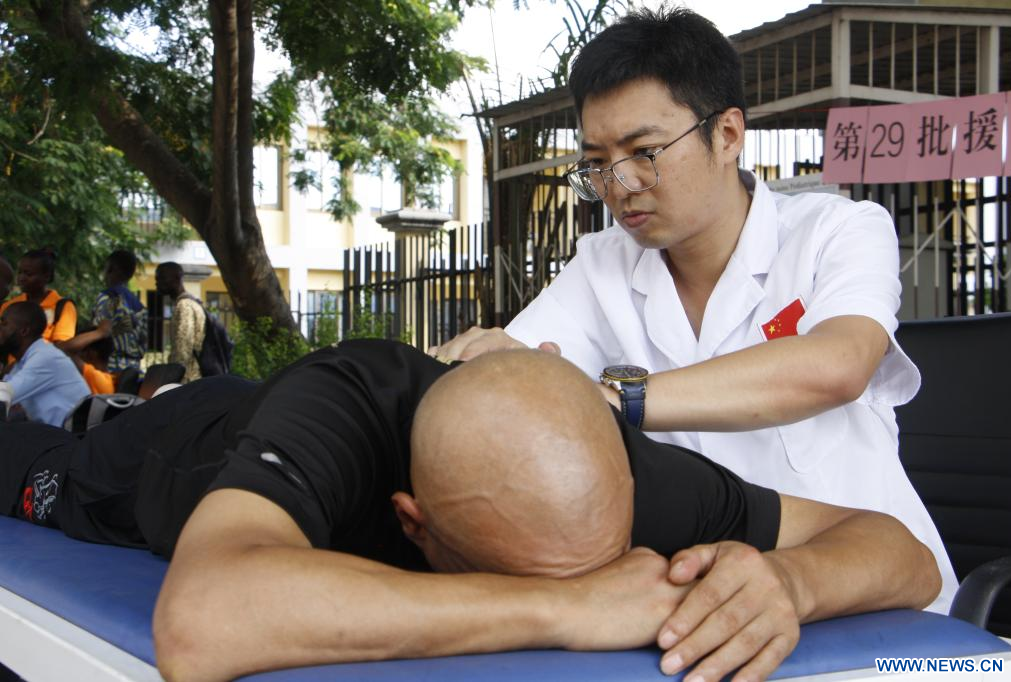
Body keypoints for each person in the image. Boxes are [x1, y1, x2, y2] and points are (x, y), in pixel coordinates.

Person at [0, 340, 939, 682]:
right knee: (34, 459)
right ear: (413, 522)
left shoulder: (621, 467)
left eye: (608, 558)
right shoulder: (344, 408)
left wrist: (787, 583)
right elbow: (201, 625)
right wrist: (566, 608)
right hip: (147, 460)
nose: (617, 583)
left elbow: (903, 553)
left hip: (265, 423)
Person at [429, 7, 956, 612]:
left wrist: (614, 399)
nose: (619, 185)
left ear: (727, 135)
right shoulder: (603, 264)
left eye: (645, 151)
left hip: (877, 603)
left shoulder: (835, 230)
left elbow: (837, 365)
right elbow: (518, 375)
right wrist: (485, 367)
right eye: (597, 163)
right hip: (703, 608)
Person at [0, 302, 90, 426]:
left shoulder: (45, 357)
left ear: (24, 331)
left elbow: (4, 394)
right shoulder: (23, 363)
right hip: (55, 433)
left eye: (4, 324)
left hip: (74, 435)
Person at [0, 249, 77, 346]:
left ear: (46, 276)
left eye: (28, 274)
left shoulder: (63, 307)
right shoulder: (9, 305)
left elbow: (64, 346)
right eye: (20, 272)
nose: (21, 278)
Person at [90, 250, 147, 375]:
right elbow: (143, 344)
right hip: (134, 372)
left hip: (109, 370)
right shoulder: (140, 306)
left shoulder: (107, 298)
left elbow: (97, 337)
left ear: (111, 269)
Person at [154, 261, 204, 382]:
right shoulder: (187, 303)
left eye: (162, 278)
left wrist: (173, 380)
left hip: (188, 380)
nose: (157, 283)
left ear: (177, 278)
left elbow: (182, 352)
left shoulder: (184, 306)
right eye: (156, 279)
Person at [63, 322, 117, 394]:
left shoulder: (97, 379)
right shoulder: (108, 380)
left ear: (90, 354)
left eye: (78, 351)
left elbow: (65, 350)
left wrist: (100, 333)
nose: (77, 356)